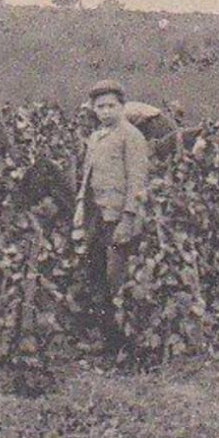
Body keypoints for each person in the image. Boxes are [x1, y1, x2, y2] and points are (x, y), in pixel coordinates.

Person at [74, 79, 151, 351]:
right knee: (97, 274)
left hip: (118, 218)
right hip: (97, 215)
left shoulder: (131, 136)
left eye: (111, 106)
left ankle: (126, 341)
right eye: (100, 107)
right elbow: (87, 178)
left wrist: (128, 217)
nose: (105, 111)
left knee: (118, 277)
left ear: (122, 106)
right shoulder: (96, 137)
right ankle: (106, 338)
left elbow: (137, 181)